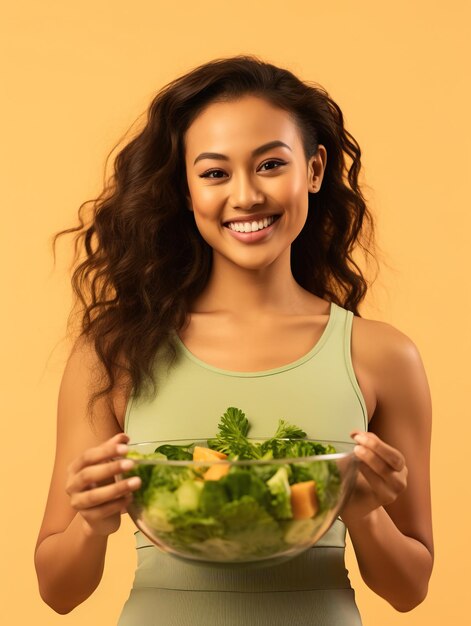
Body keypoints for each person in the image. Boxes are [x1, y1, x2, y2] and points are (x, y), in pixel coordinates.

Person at [34, 55, 433, 625]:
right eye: (215, 173)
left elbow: (410, 588)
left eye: (271, 164)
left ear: (315, 170)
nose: (245, 196)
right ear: (185, 188)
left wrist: (366, 514)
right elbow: (57, 590)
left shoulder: (382, 356)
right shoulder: (116, 353)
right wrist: (91, 523)